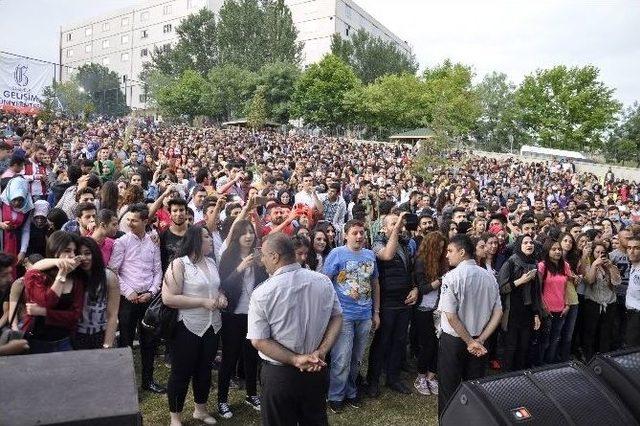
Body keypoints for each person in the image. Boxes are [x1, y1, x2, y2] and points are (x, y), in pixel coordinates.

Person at [247, 233, 343, 426]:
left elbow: (259, 340)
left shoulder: (262, 292)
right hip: (316, 368)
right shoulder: (322, 281)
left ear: (275, 256)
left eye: (264, 255)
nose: (262, 259)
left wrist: (296, 359)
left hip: (280, 376)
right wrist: (321, 351)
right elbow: (337, 317)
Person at [163, 226, 227, 426]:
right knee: (181, 372)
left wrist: (222, 297)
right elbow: (169, 298)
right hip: (187, 326)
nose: (210, 240)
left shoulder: (211, 262)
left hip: (212, 325)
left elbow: (217, 288)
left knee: (204, 370)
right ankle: (176, 417)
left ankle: (200, 410)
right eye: (206, 237)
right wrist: (202, 302)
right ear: (195, 241)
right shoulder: (179, 264)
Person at [437, 234, 502, 417]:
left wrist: (470, 342)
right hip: (479, 340)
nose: (447, 255)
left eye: (450, 251)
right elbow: (498, 313)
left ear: (462, 252)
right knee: (474, 389)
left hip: (456, 340)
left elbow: (450, 316)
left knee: (449, 388)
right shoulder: (489, 277)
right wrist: (478, 340)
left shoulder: (451, 277)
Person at [324, 219, 380, 412]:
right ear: (346, 235)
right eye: (355, 233)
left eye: (362, 232)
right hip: (344, 315)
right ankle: (335, 395)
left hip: (365, 314)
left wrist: (376, 312)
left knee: (357, 357)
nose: (359, 236)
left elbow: (375, 284)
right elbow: (326, 281)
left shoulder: (370, 255)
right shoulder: (337, 254)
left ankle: (351, 391)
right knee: (342, 357)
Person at [109, 203, 165, 393]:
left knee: (149, 343)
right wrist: (128, 291)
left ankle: (148, 381)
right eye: (128, 220)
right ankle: (124, 384)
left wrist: (151, 291)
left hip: (148, 299)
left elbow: (158, 270)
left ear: (145, 221)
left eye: (134, 220)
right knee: (125, 342)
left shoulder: (153, 242)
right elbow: (114, 271)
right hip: (128, 300)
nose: (130, 223)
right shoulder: (122, 242)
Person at [217, 219, 268, 419]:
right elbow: (223, 286)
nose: (248, 236)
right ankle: (222, 399)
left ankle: (251, 394)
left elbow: (265, 284)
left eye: (251, 232)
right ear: (237, 236)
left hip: (253, 314)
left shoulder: (258, 257)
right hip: (232, 315)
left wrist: (261, 265)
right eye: (244, 233)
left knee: (251, 356)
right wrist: (240, 268)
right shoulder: (228, 257)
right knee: (229, 357)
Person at [366, 212, 418, 397]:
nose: (399, 226)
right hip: (386, 302)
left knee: (399, 341)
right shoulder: (377, 243)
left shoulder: (405, 244)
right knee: (382, 342)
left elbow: (410, 270)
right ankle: (372, 380)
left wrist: (415, 288)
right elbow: (387, 255)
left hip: (403, 301)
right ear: (383, 227)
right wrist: (397, 229)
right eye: (394, 223)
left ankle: (393, 378)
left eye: (400, 223)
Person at [22, 231, 85, 353]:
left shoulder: (76, 281)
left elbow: (74, 316)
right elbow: (47, 301)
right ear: (55, 251)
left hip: (64, 341)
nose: (72, 255)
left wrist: (43, 312)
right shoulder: (36, 275)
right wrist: (62, 273)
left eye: (74, 251)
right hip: (37, 341)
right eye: (67, 251)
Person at [497, 235, 542, 371]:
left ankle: (520, 376)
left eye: (531, 242)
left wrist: (536, 314)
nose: (529, 245)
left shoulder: (534, 263)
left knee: (524, 346)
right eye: (525, 243)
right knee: (511, 347)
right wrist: (521, 281)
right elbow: (501, 288)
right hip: (512, 312)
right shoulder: (510, 263)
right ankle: (507, 377)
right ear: (519, 246)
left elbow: (535, 292)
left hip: (527, 312)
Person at [413, 231, 448, 396]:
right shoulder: (421, 262)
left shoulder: (443, 263)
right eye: (438, 248)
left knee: (438, 344)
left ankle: (431, 376)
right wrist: (440, 281)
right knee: (427, 345)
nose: (441, 252)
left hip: (438, 309)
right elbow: (422, 288)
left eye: (443, 248)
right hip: (422, 309)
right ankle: (421, 376)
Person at [582, 242, 620, 360]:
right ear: (593, 253)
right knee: (591, 332)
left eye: (603, 252)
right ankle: (589, 358)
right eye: (597, 252)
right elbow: (590, 281)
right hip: (593, 303)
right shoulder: (588, 265)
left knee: (606, 333)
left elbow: (616, 282)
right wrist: (594, 265)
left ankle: (604, 357)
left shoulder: (611, 266)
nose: (600, 255)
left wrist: (610, 268)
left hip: (609, 304)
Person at [537, 239, 572, 365]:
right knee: (544, 341)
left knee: (555, 340)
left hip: (561, 310)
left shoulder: (565, 265)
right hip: (547, 311)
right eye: (554, 249)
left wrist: (567, 304)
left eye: (559, 249)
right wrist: (544, 307)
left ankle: (550, 365)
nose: (557, 251)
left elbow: (566, 286)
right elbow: (538, 289)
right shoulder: (542, 266)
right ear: (547, 251)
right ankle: (539, 366)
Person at [0, 252, 29, 356]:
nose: (10, 278)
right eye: (4, 275)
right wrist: (7, 349)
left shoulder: (9, 287)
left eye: (10, 273)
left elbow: (7, 311)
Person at [0, 176, 34, 265]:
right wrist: (1, 224)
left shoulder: (27, 209)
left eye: (20, 200)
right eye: (14, 199)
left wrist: (23, 251)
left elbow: (26, 230)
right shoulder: (2, 203)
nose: (17, 203)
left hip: (16, 244)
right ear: (9, 195)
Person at [625, 234, 640, 347]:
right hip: (631, 312)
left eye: (636, 248)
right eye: (629, 248)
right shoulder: (633, 266)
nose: (632, 251)